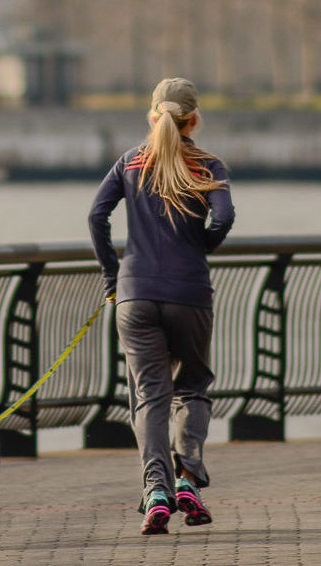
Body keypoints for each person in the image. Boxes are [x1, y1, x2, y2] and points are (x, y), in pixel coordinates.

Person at [87, 77, 235, 535]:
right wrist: (201, 244)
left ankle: (156, 490)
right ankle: (187, 477)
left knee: (150, 396)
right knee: (190, 387)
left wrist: (113, 278)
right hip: (189, 293)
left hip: (134, 295)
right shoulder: (207, 164)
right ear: (194, 119)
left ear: (153, 116)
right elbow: (224, 216)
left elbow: (96, 216)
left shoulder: (130, 162)